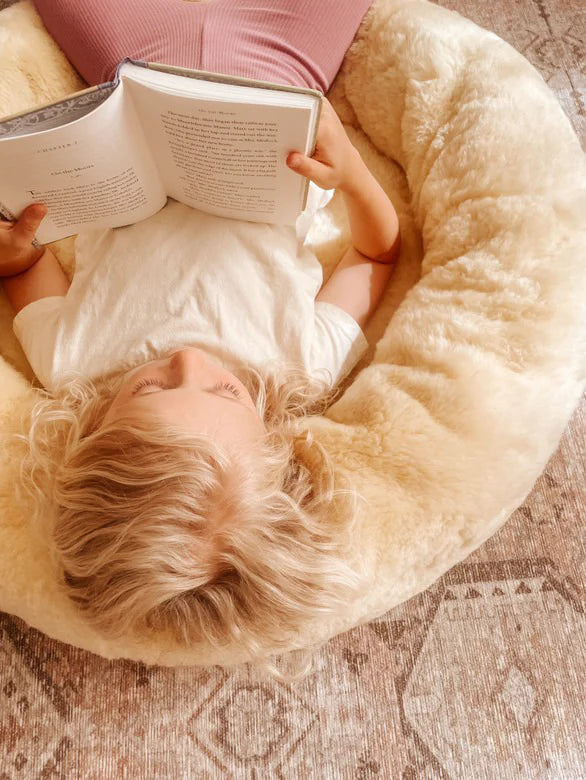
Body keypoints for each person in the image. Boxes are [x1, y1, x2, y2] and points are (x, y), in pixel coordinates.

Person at [0, 0, 401, 680]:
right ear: (270, 433)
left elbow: (25, 266)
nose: (188, 362)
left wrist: (15, 249)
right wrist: (352, 177)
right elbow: (378, 257)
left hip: (132, 75)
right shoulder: (301, 363)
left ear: (94, 423)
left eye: (151, 386)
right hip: (274, 77)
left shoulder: (71, 362)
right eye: (226, 391)